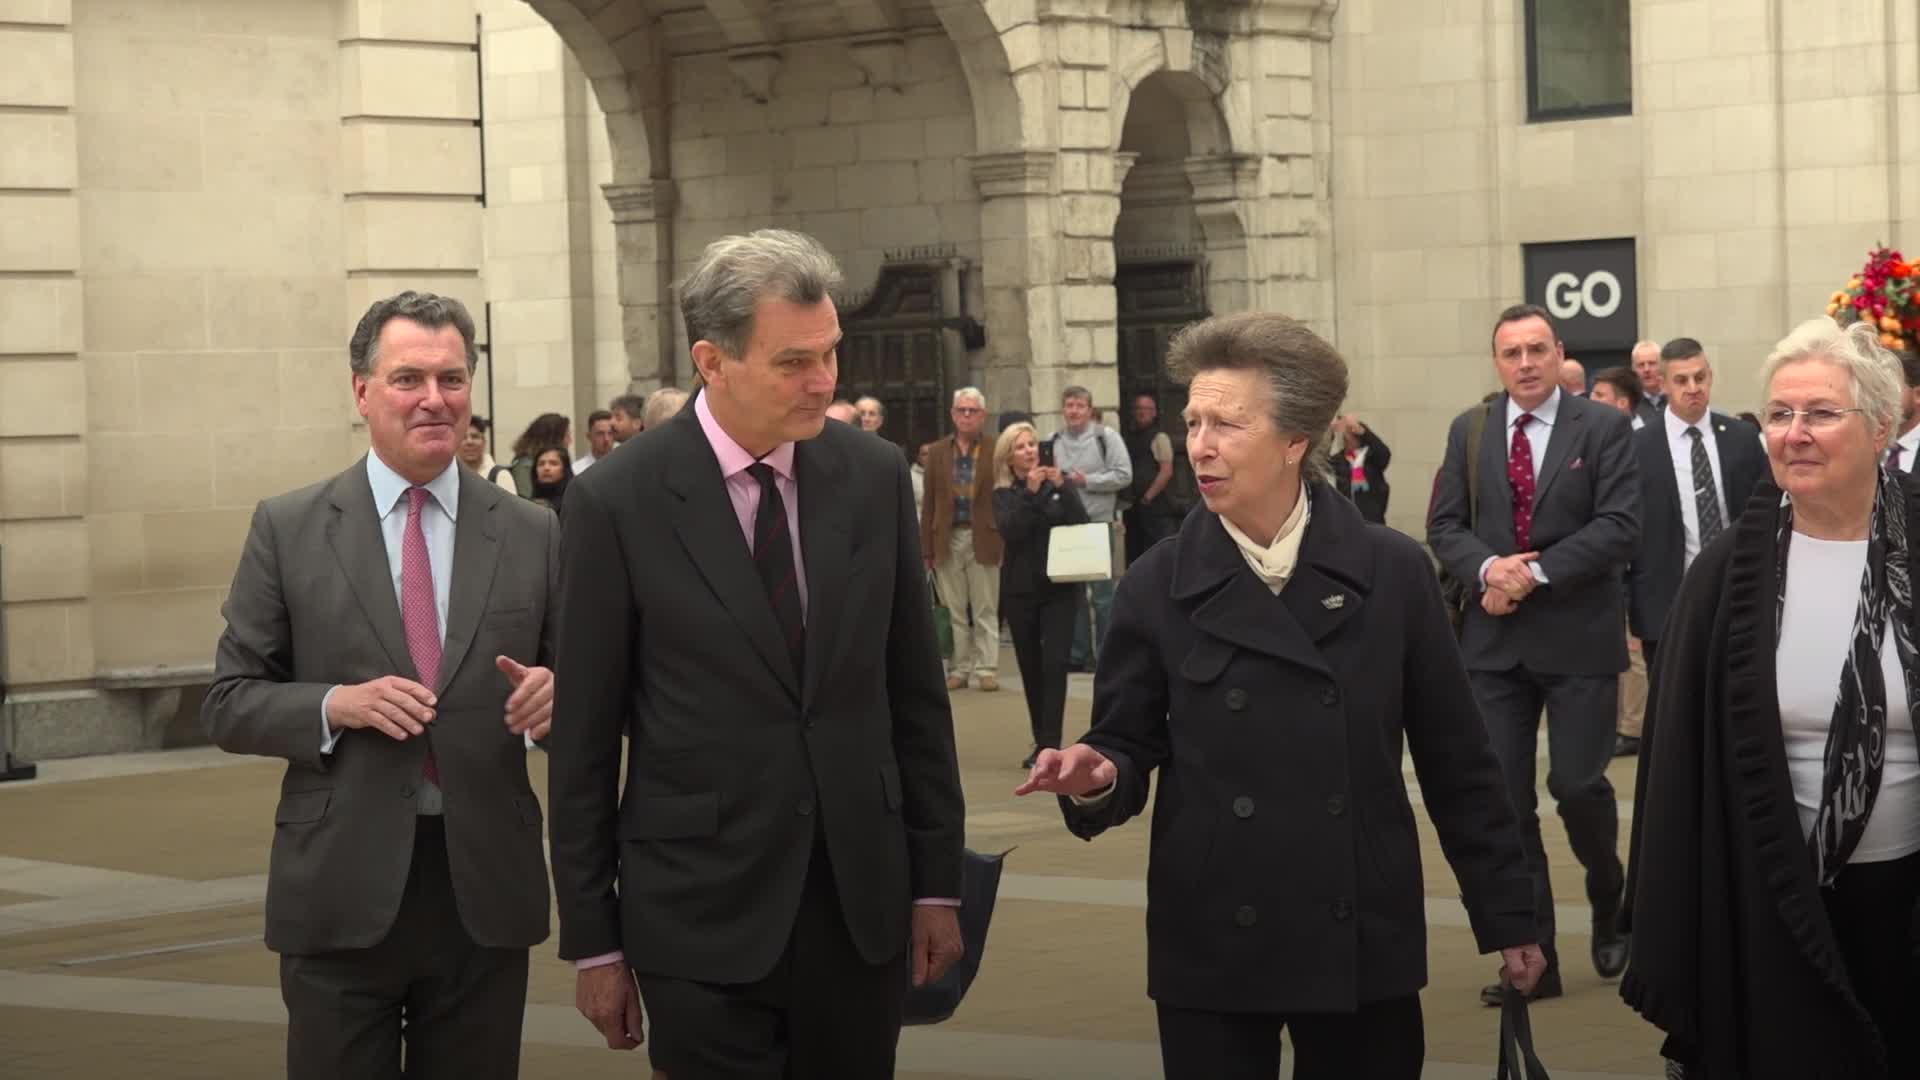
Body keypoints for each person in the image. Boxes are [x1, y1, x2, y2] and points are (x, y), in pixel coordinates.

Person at [1017, 312, 1543, 1079]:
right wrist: (1096, 774)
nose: (1200, 444)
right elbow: (1125, 742)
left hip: (1361, 926)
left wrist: (1508, 915)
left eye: (1227, 424)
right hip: (1213, 933)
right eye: (1193, 419)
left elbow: (1459, 762)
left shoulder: (1392, 572)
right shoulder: (1156, 582)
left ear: (1298, 439)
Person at [548, 229, 966, 1079]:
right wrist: (593, 941)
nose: (824, 382)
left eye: (830, 355)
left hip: (860, 905)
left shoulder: (874, 474)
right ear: (712, 360)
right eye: (793, 363)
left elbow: (914, 696)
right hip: (699, 914)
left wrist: (936, 883)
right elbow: (585, 744)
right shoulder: (616, 502)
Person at [201, 291, 558, 1080]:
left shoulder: (532, 530)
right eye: (408, 379)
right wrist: (335, 704)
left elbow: (585, 690)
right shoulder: (290, 527)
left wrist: (555, 700)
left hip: (481, 888)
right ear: (361, 391)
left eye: (453, 378)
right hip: (339, 885)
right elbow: (228, 701)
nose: (435, 399)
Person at [1625, 316, 1920, 1078]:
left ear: (1882, 426)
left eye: (1821, 413)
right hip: (1770, 905)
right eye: (1782, 414)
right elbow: (1676, 766)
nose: (1795, 433)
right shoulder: (1726, 575)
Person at [1427, 303, 1640, 1006]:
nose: (1524, 363)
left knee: (1578, 787)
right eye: (1511, 352)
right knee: (1505, 803)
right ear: (1497, 362)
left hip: (1578, 637)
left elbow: (1619, 526)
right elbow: (1445, 526)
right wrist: (1490, 570)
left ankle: (1611, 899)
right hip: (1493, 648)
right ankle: (1535, 958)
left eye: (1537, 350)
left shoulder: (1604, 427)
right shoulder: (1472, 430)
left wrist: (1531, 574)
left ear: (1558, 354)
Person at [1626, 338, 1766, 679]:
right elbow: (1628, 526)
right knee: (1672, 708)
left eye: (1700, 377)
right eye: (1682, 380)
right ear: (1663, 383)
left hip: (1737, 597)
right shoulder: (1638, 447)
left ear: (1710, 376)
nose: (1693, 388)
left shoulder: (1742, 438)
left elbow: (1764, 511)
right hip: (1665, 602)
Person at [992, 421, 1089, 769]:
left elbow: (1081, 522)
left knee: (1055, 664)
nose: (1030, 451)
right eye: (1021, 447)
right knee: (1031, 667)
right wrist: (1031, 494)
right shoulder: (1004, 494)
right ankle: (1040, 737)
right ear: (1008, 457)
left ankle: (1051, 743)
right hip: (1021, 591)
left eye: (1033, 444)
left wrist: (1065, 486)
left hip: (1060, 588)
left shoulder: (1058, 486)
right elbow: (1012, 531)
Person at [921, 387, 1003, 692]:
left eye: (973, 411)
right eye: (961, 410)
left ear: (982, 415)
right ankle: (959, 667)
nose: (967, 415)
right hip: (947, 536)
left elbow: (1003, 497)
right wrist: (925, 547)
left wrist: (1004, 541)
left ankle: (987, 668)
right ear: (953, 414)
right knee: (954, 609)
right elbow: (928, 501)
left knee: (985, 609)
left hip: (984, 536)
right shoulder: (939, 451)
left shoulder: (996, 449)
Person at [1053, 386, 1133, 669]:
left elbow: (1124, 475)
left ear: (1089, 409)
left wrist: (1087, 481)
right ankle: (1078, 655)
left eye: (1079, 406)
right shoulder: (1055, 441)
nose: (1074, 411)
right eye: (1069, 405)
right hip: (1067, 527)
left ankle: (1105, 654)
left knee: (1102, 596)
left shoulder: (1105, 438)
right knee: (1073, 596)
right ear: (1063, 409)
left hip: (1098, 524)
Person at [1122, 392, 1180, 564]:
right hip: (1133, 508)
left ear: (1154, 413)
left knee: (1159, 552)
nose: (1142, 412)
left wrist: (1148, 497)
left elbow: (1166, 471)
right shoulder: (1127, 438)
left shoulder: (1159, 437)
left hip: (1156, 508)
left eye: (1147, 409)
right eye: (1139, 408)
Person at [1327, 413, 1391, 524]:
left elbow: (1384, 453)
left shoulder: (1371, 457)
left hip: (1372, 519)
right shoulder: (1337, 460)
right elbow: (1320, 460)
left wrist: (1362, 431)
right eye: (1346, 434)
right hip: (1345, 519)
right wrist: (1329, 432)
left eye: (1352, 434)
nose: (1348, 437)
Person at [501, 413, 570, 498]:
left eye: (553, 463)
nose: (570, 441)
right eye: (567, 436)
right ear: (553, 437)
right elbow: (525, 501)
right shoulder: (525, 466)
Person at [1589, 366, 1647, 431]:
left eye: (1599, 395)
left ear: (1622, 403)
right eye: (1592, 394)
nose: (1591, 399)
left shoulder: (1646, 438)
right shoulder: (1592, 433)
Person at [530, 446, 572, 516]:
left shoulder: (574, 501)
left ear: (565, 469)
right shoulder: (528, 503)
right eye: (541, 464)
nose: (546, 468)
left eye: (553, 463)